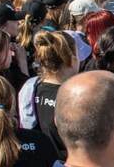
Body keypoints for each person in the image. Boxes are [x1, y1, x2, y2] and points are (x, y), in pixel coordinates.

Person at [18, 31, 79, 159]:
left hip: (38, 161)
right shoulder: (74, 96)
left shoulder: (30, 88)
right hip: (67, 164)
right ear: (72, 60)